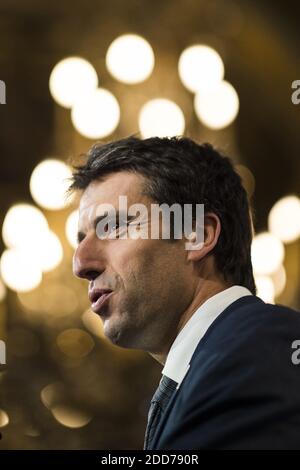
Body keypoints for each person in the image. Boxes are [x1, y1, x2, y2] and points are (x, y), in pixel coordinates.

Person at [71, 136, 300, 450]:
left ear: (197, 235)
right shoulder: (219, 363)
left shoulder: (258, 347)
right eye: (81, 239)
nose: (81, 264)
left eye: (112, 227)